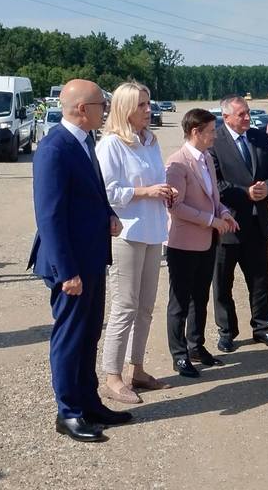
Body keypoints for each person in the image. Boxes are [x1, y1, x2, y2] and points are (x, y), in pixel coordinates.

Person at [28, 79, 127, 442]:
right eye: (101, 104)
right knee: (70, 337)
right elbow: (49, 216)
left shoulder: (84, 141)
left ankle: (89, 402)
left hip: (92, 257)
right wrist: (66, 270)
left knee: (89, 334)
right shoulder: (55, 148)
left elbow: (90, 192)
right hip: (70, 265)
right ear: (82, 109)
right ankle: (68, 412)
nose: (105, 110)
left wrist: (107, 215)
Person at [95, 82, 174, 404]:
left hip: (153, 231)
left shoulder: (150, 141)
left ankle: (135, 368)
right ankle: (111, 376)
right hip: (126, 233)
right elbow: (107, 191)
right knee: (124, 306)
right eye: (142, 105)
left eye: (148, 103)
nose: (148, 109)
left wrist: (166, 190)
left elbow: (157, 179)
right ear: (125, 108)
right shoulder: (111, 145)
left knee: (145, 307)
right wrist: (146, 192)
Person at [166, 109, 239, 377]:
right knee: (180, 302)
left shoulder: (207, 158)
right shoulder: (178, 162)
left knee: (201, 297)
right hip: (183, 244)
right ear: (195, 132)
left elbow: (214, 197)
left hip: (208, 241)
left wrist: (224, 213)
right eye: (210, 131)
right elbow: (175, 207)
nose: (215, 136)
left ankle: (196, 345)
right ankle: (179, 354)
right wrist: (210, 220)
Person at [210, 95, 268, 352]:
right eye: (241, 114)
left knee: (261, 278)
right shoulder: (214, 140)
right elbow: (214, 184)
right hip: (228, 223)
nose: (247, 118)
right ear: (226, 116)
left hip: (257, 222)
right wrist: (245, 193)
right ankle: (227, 331)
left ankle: (262, 327)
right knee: (223, 282)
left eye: (248, 112)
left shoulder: (259, 137)